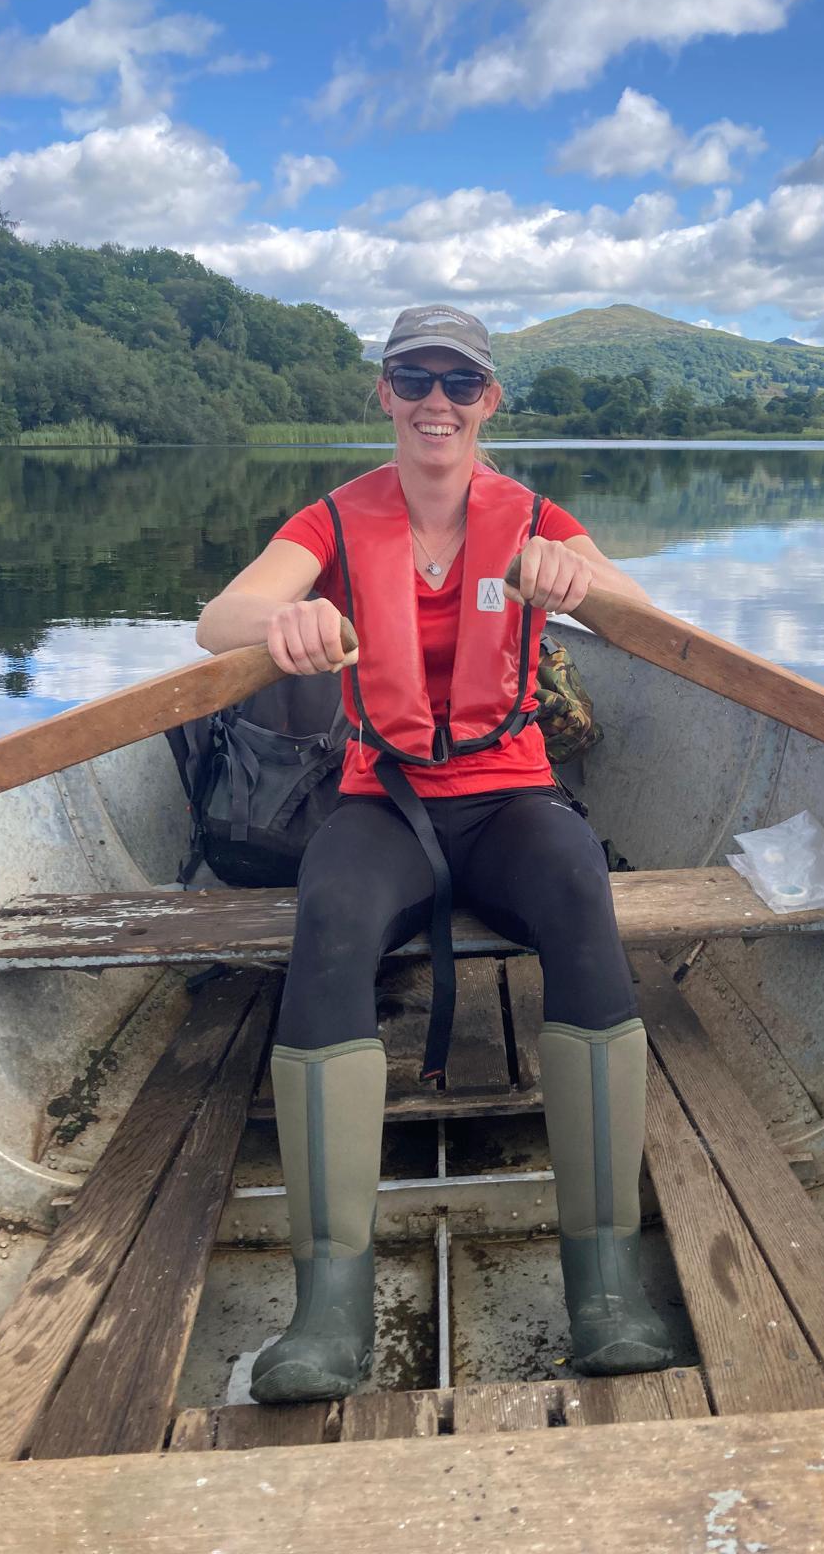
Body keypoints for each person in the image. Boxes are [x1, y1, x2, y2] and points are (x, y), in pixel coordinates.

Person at [196, 304, 673, 1404]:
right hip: (386, 803)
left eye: (461, 384)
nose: (437, 403)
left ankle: (604, 1285)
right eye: (415, 379)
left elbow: (648, 619)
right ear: (386, 394)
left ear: (490, 402)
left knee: (579, 890)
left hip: (510, 799)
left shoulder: (533, 516)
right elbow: (219, 616)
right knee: (331, 918)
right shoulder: (332, 517)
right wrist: (284, 625)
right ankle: (329, 1309)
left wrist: (578, 577)